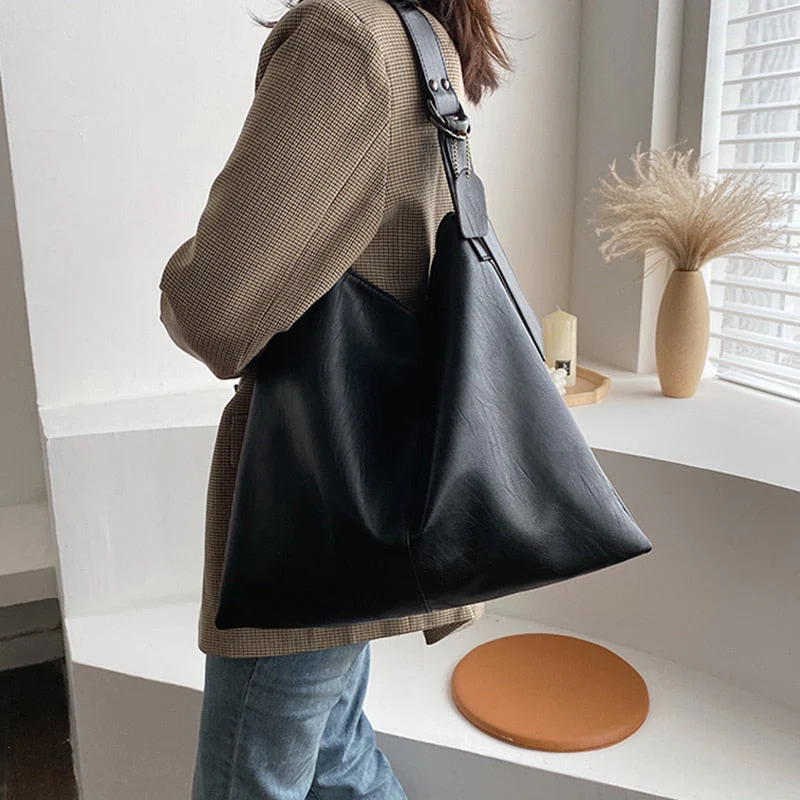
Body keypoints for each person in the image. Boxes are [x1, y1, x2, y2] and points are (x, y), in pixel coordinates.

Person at [158, 0, 512, 796]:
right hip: (374, 479)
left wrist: (182, 282)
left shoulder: (344, 39)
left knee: (251, 780)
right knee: (336, 757)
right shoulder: (421, 37)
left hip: (315, 488)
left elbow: (214, 310)